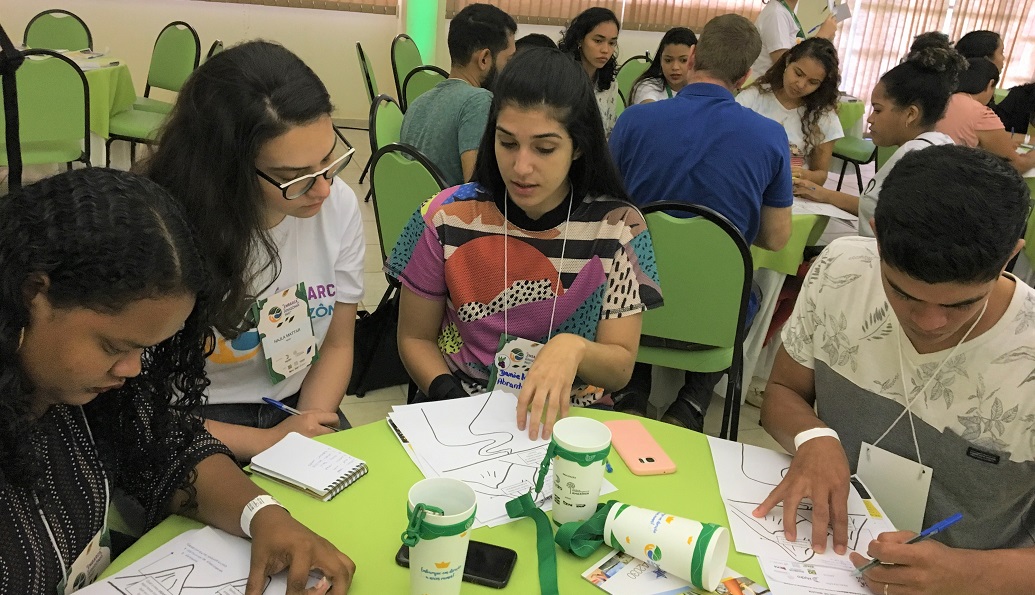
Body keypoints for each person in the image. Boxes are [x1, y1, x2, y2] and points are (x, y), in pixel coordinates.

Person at [0, 168, 355, 594]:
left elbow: (168, 449)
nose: (131, 369)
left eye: (144, 351)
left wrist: (264, 515)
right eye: (113, 347)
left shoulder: (77, 396)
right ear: (31, 295)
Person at [755, 144, 1035, 594]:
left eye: (961, 303)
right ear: (878, 236)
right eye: (903, 293)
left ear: (1010, 256)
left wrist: (968, 574)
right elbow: (784, 391)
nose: (928, 323)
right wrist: (815, 437)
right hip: (821, 563)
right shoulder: (842, 270)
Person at [386, 48, 663, 440]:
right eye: (507, 143)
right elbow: (414, 338)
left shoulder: (618, 228)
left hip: (572, 420)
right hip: (459, 410)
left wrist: (576, 349)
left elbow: (620, 368)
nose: (521, 167)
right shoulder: (445, 216)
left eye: (545, 148)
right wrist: (451, 399)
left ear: (579, 146)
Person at [145, 41, 366, 462]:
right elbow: (136, 407)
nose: (322, 188)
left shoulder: (336, 205)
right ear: (226, 168)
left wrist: (307, 426)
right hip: (192, 417)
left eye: (328, 160)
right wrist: (268, 444)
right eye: (293, 177)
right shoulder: (165, 226)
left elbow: (337, 345)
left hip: (296, 402)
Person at [609, 14, 792, 431]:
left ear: (692, 57)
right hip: (713, 317)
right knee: (751, 291)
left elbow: (605, 209)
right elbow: (777, 238)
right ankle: (692, 401)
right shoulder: (769, 136)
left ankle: (631, 389)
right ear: (745, 76)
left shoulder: (634, 121)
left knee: (625, 263)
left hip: (630, 306)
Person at [794, 45, 965, 235]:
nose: (870, 119)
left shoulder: (915, 163)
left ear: (910, 114)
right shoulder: (938, 144)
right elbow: (876, 207)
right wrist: (823, 194)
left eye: (878, 110)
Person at [400, 3, 517, 186]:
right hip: (448, 213)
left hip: (415, 212)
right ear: (484, 59)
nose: (512, 69)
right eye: (509, 60)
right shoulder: (478, 103)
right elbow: (476, 191)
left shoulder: (417, 103)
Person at [738, 37, 844, 189]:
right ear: (788, 61)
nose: (801, 85)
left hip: (791, 192)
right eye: (798, 73)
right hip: (749, 183)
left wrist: (802, 174)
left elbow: (820, 175)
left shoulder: (823, 115)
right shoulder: (754, 96)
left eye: (812, 82)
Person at [936, 57, 1035, 173]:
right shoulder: (980, 113)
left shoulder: (942, 99)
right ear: (990, 84)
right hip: (951, 175)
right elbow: (1018, 165)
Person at [559, 7, 622, 137]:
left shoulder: (611, 84)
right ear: (580, 39)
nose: (605, 50)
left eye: (612, 43)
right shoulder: (560, 77)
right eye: (598, 41)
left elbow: (609, 133)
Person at [749, 0, 836, 80]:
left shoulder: (786, 12)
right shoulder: (776, 13)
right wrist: (822, 36)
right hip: (767, 90)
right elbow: (784, 64)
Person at [628, 27, 697, 105]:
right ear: (660, 59)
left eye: (683, 60)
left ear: (695, 59)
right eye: (668, 60)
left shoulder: (701, 90)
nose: (675, 67)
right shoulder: (648, 86)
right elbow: (650, 112)